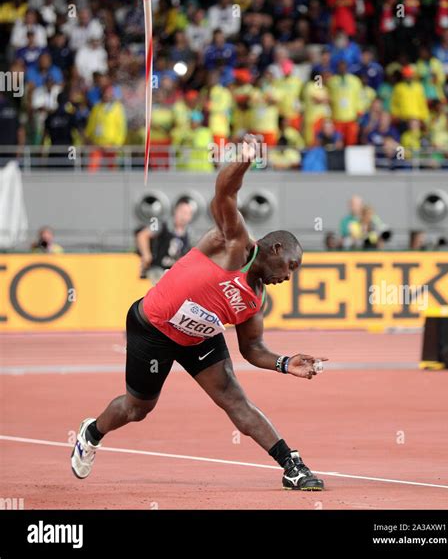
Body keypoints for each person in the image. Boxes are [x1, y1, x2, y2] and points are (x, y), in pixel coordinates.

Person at [71, 135, 327, 491]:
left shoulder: (255, 300)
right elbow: (224, 193)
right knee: (138, 408)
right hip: (153, 328)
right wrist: (245, 159)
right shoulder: (234, 242)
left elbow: (252, 349)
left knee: (234, 399)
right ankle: (92, 432)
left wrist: (285, 362)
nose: (287, 276)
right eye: (290, 266)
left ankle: (291, 464)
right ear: (276, 248)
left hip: (198, 338)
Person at [135, 199, 194, 284]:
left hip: (175, 272)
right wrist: (146, 254)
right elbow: (142, 235)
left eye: (188, 213)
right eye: (182, 212)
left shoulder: (189, 234)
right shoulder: (162, 225)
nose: (184, 216)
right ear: (175, 212)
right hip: (157, 269)